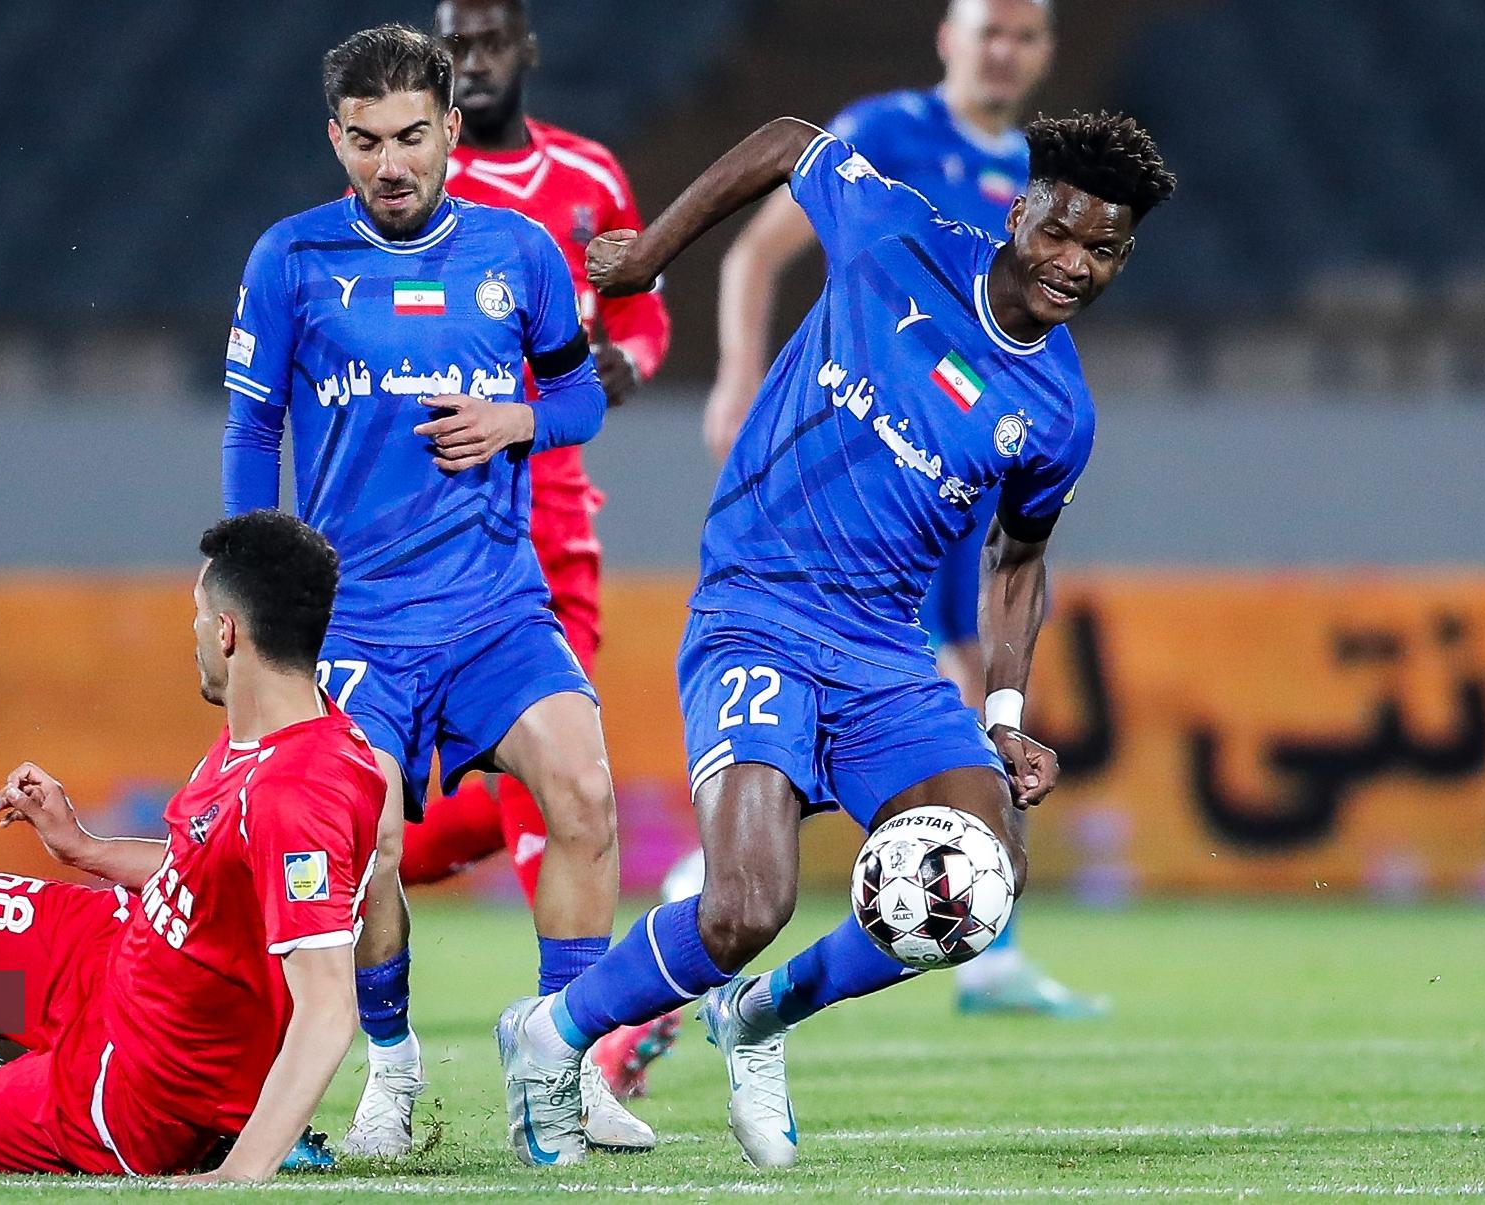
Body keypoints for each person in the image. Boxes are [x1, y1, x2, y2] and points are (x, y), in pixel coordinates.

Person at [495, 110, 1174, 1169]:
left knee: (981, 876)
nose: (1075, 264)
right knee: (743, 906)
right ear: (1018, 211)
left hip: (884, 656)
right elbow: (781, 141)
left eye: (1105, 249)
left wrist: (1002, 715)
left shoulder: (1056, 411)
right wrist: (647, 256)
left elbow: (1017, 559)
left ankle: (759, 1015)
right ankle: (548, 1035)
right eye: (1060, 232)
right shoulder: (895, 236)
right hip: (756, 614)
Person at [220, 23, 640, 1164]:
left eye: (411, 136)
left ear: (452, 129)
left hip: (497, 607)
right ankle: (391, 1068)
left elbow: (580, 398)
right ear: (335, 139)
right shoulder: (290, 260)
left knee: (585, 792)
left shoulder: (519, 251)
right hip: (355, 616)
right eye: (365, 141)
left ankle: (561, 1055)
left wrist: (518, 419)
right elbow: (252, 428)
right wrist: (250, 594)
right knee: (365, 850)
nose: (390, 163)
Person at [697, 0, 1103, 1020]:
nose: (1002, 52)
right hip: (856, 468)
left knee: (966, 698)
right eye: (987, 31)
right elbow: (757, 253)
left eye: (1023, 36)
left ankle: (970, 935)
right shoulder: (886, 131)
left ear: (1044, 54)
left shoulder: (1037, 179)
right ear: (947, 38)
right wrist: (737, 374)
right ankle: (727, 880)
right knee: (923, 693)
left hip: (951, 488)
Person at [0, 510, 385, 1179]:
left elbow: (327, 1007)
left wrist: (241, 1175)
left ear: (227, 632)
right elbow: (209, 871)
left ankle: (215, 1132)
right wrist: (82, 847)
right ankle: (22, 1049)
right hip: (111, 949)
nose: (194, 631)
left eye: (198, 613)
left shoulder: (299, 792)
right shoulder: (266, 731)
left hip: (143, 1082)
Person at [397, 0, 676, 1110]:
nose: (472, 60)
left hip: (551, 509)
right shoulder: (411, 181)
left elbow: (641, 316)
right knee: (414, 793)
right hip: (426, 521)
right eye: (453, 44)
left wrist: (628, 364)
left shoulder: (589, 176)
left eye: (489, 41)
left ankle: (576, 1037)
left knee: (556, 765)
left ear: (525, 50)